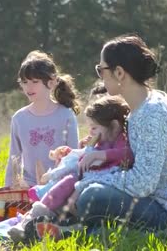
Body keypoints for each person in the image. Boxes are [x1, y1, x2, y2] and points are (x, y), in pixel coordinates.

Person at [73, 34, 167, 232]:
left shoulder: (152, 112)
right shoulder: (141, 108)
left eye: (101, 69)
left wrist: (91, 180)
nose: (100, 76)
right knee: (89, 195)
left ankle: (88, 227)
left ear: (120, 72)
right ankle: (93, 229)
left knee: (91, 197)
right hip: (152, 202)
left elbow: (142, 183)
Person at [9, 96, 134, 242]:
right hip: (85, 181)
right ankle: (31, 220)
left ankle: (45, 222)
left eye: (94, 128)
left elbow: (126, 154)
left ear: (114, 125)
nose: (91, 132)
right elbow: (84, 161)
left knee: (69, 183)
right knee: (65, 181)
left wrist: (98, 154)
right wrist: (73, 153)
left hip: (103, 185)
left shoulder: (121, 140)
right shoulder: (101, 141)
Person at [4, 50, 81, 187]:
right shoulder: (19, 119)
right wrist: (8, 192)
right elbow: (13, 159)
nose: (29, 87)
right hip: (29, 187)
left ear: (51, 82)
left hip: (60, 185)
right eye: (24, 82)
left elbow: (74, 158)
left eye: (35, 81)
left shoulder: (66, 115)